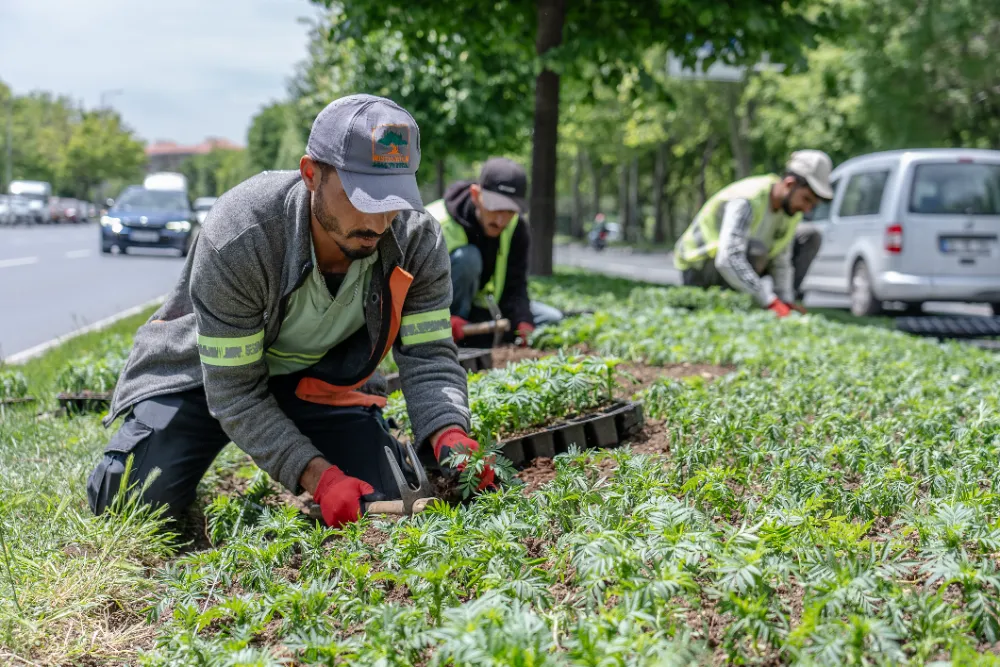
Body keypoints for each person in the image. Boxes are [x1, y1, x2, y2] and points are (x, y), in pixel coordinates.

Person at [87, 94, 494, 528]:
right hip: (206, 381)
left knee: (380, 495)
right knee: (128, 502)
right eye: (362, 198)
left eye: (391, 200)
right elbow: (234, 392)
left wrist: (449, 432)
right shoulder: (241, 236)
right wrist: (319, 478)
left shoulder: (416, 240)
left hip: (317, 382)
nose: (378, 222)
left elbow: (428, 354)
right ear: (311, 174)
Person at [673, 150, 834, 316]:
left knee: (810, 235)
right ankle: (735, 306)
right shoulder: (747, 200)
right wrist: (768, 300)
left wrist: (785, 300)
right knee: (756, 250)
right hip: (700, 266)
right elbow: (728, 258)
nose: (807, 209)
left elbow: (781, 260)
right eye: (806, 199)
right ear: (790, 184)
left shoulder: (791, 212)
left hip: (738, 264)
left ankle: (775, 305)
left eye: (812, 205)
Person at [425, 158, 563, 346]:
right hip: (437, 313)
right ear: (476, 195)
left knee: (551, 319)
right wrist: (440, 318)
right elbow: (413, 291)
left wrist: (523, 319)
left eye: (509, 211)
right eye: (495, 208)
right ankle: (451, 336)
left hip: (484, 309)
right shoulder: (432, 224)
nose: (500, 221)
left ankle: (478, 335)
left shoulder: (516, 228)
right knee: (468, 259)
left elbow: (516, 285)